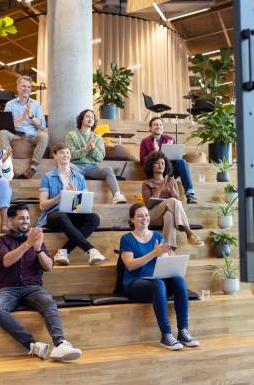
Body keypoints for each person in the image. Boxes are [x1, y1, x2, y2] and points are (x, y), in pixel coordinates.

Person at [0, 203, 82, 361]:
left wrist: (38, 249)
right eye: (21, 218)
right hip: (8, 288)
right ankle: (33, 345)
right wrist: (28, 244)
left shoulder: (36, 241)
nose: (25, 221)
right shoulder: (0, 241)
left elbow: (48, 267)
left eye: (27, 218)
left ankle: (60, 344)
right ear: (10, 221)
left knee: (48, 302)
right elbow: (6, 261)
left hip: (33, 288)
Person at [120, 203, 200, 351]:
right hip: (134, 283)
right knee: (158, 284)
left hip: (155, 282)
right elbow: (130, 265)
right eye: (140, 216)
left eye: (146, 215)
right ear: (132, 220)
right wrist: (154, 253)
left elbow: (164, 261)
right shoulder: (127, 239)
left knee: (179, 280)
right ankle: (166, 335)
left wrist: (168, 256)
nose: (144, 218)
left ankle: (183, 331)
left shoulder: (158, 237)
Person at [38, 143, 104, 266]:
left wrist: (76, 198)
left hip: (73, 213)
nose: (66, 155)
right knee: (61, 215)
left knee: (94, 218)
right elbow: (43, 206)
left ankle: (64, 251)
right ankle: (90, 249)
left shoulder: (79, 177)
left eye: (68, 152)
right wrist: (60, 196)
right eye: (62, 152)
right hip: (54, 215)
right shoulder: (47, 177)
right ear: (54, 156)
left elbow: (82, 205)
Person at [142, 151, 204, 248]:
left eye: (163, 163)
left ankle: (168, 249)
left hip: (166, 215)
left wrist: (172, 190)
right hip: (153, 215)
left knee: (169, 216)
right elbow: (149, 204)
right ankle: (189, 233)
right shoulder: (146, 183)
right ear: (151, 166)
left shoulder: (171, 181)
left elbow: (177, 202)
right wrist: (161, 186)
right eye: (157, 163)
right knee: (172, 201)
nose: (161, 165)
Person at [64, 109, 127, 204]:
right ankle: (74, 201)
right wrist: (85, 149)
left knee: (108, 170)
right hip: (76, 166)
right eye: (88, 116)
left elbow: (100, 157)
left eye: (92, 117)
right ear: (82, 119)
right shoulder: (71, 135)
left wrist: (93, 148)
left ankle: (117, 196)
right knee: (69, 168)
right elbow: (70, 155)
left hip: (93, 168)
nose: (90, 119)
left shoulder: (97, 137)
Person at [0, 75, 49, 179]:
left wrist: (31, 117)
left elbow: (43, 125)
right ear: (17, 87)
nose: (26, 89)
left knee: (44, 136)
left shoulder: (36, 105)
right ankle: (10, 167)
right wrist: (22, 118)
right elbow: (5, 124)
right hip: (15, 134)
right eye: (23, 86)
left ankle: (33, 167)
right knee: (2, 132)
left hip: (32, 135)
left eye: (29, 87)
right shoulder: (10, 104)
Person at [139, 117, 198, 204]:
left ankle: (190, 194)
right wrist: (156, 152)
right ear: (150, 128)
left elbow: (175, 157)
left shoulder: (169, 139)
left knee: (182, 162)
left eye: (160, 125)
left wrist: (169, 150)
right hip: (154, 172)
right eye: (155, 125)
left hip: (168, 170)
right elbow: (142, 161)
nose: (158, 126)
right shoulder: (145, 142)